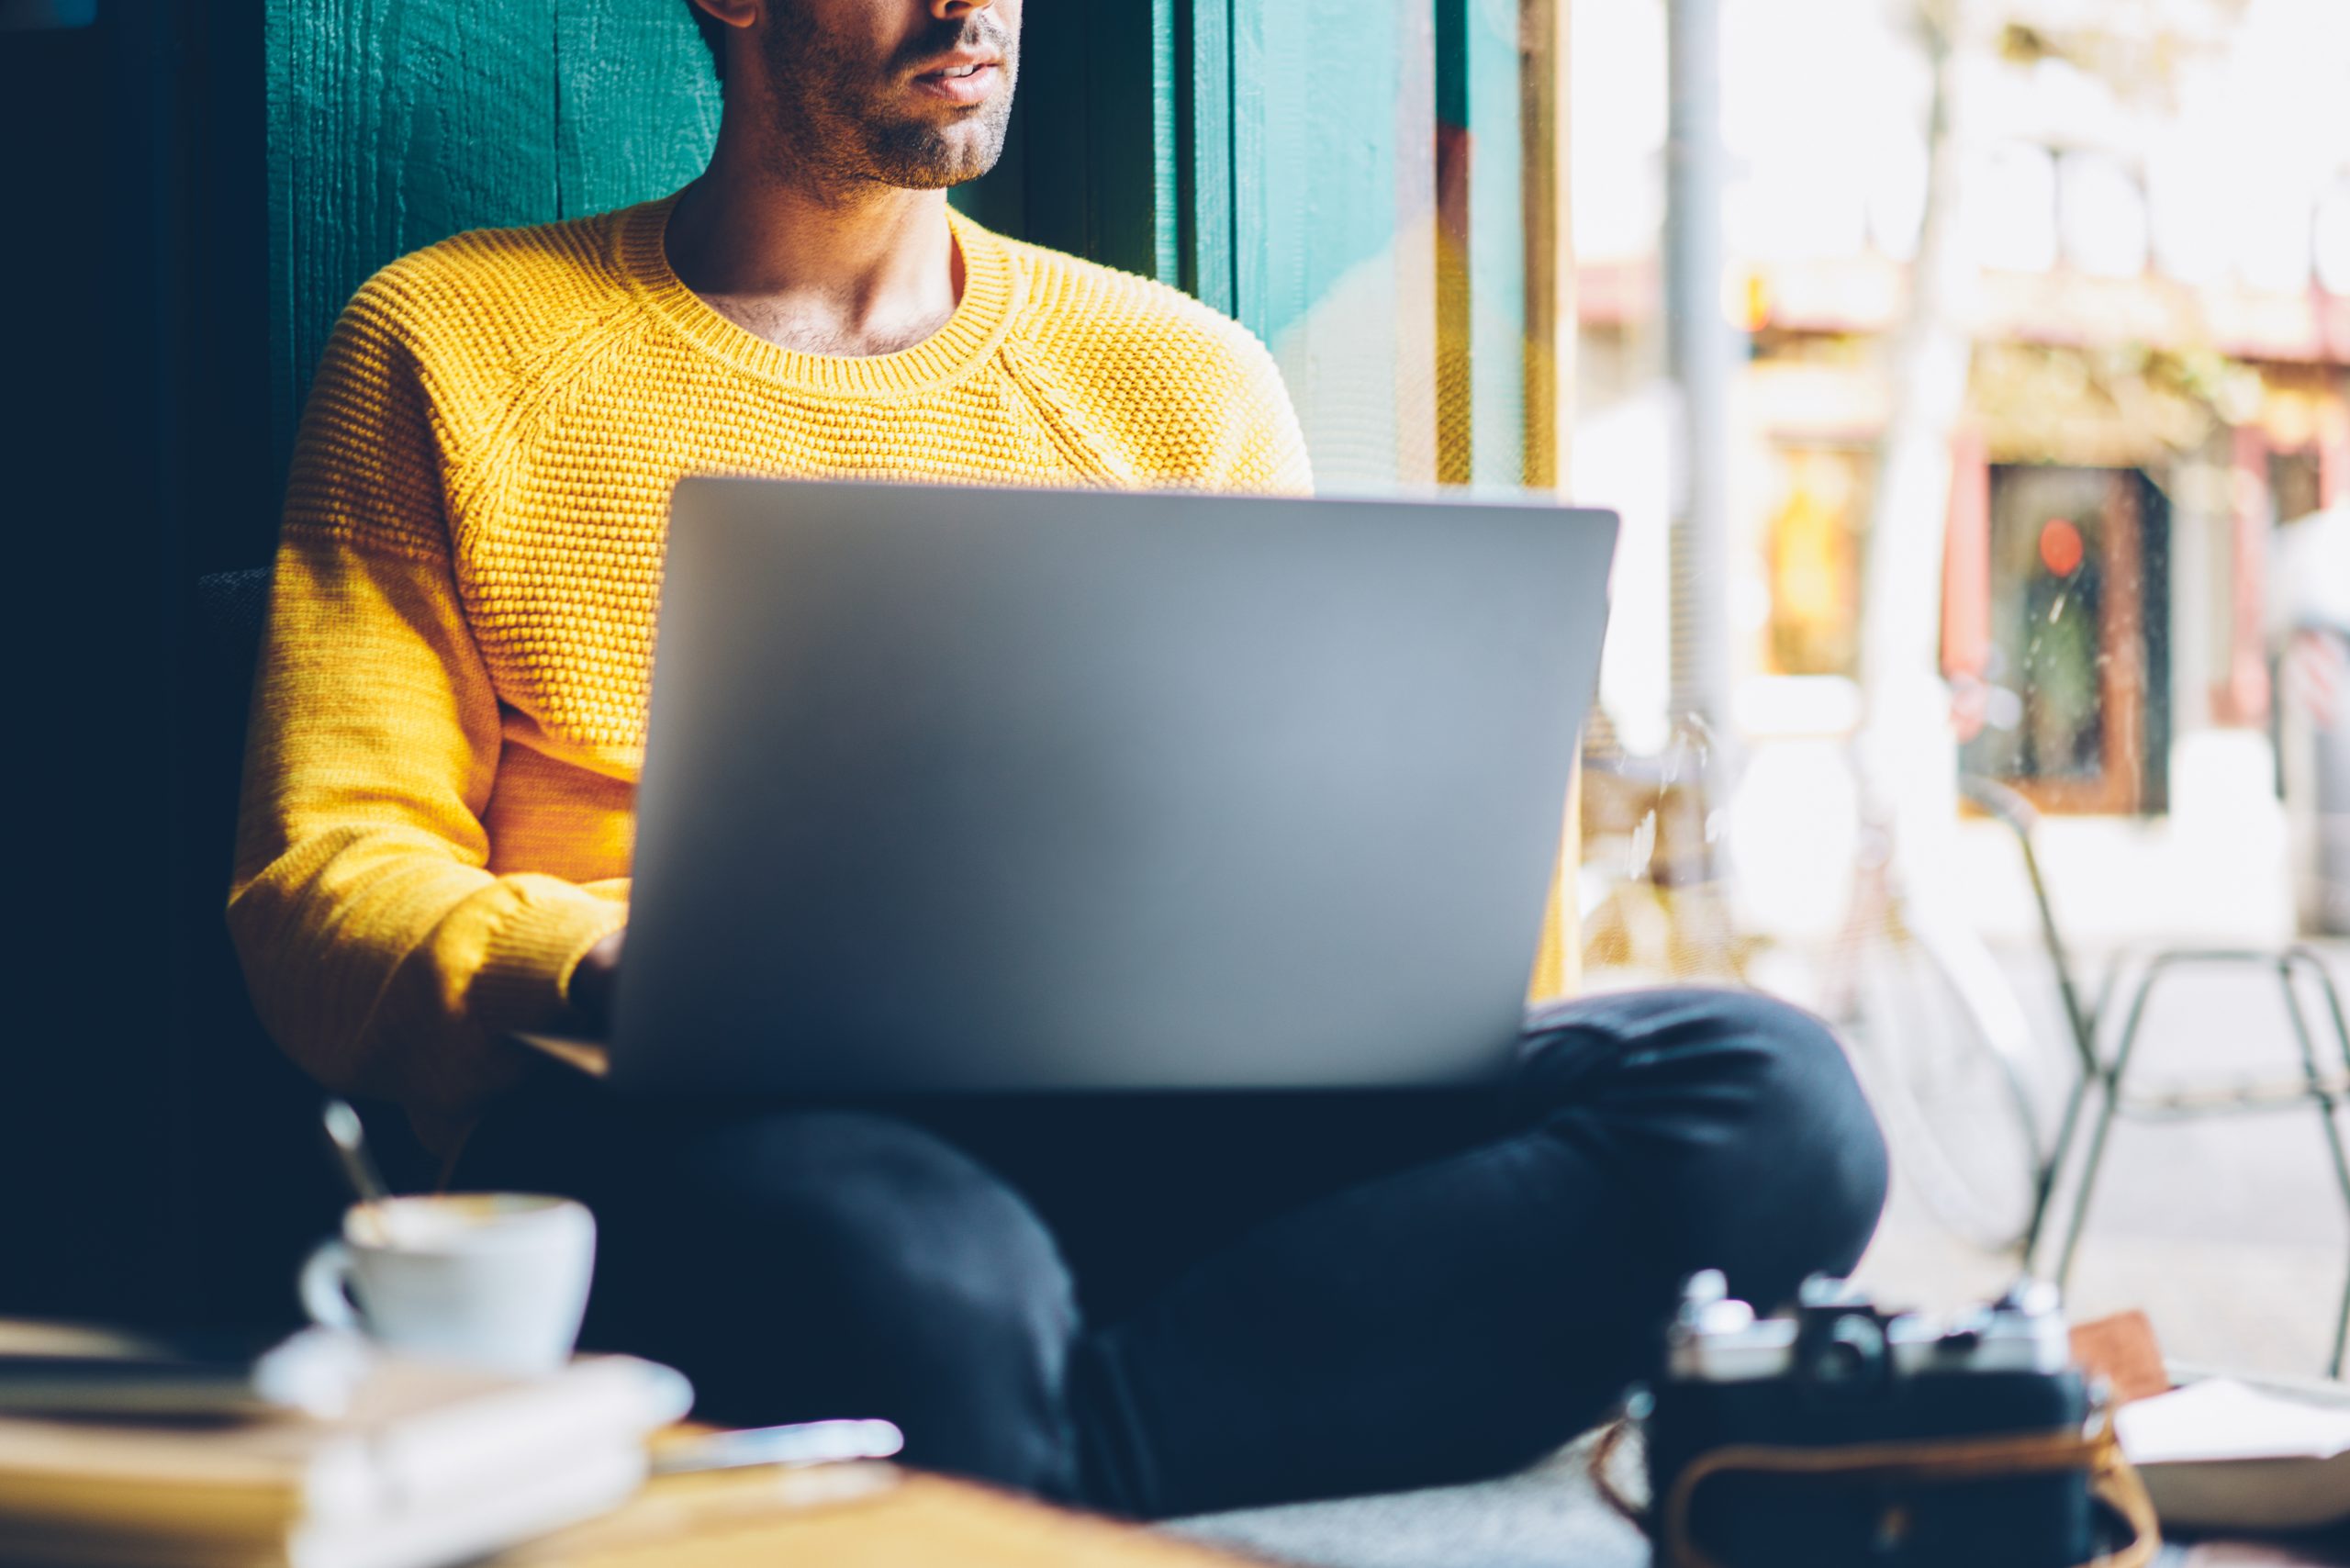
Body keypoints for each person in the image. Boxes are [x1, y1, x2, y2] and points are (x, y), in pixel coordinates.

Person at [230, 0, 1887, 1518]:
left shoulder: (1180, 383)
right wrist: (611, 965)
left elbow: (1293, 857)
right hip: (692, 1114)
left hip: (1143, 1125)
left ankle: (1036, 1458)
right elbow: (326, 886)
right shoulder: (452, 344)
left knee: (1775, 1100)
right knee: (923, 1280)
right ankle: (1098, 1411)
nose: (972, 8)